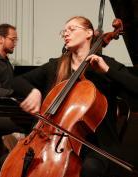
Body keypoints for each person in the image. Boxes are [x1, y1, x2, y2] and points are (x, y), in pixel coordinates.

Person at [11, 16, 138, 177]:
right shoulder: (56, 66)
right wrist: (33, 91)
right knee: (12, 162)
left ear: (89, 33)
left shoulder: (105, 65)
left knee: (91, 169)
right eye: (64, 31)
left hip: (97, 144)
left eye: (71, 29)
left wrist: (108, 71)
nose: (66, 33)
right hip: (53, 141)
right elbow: (16, 81)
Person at [0, 24, 35, 139]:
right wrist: (18, 93)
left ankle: (16, 155)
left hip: (3, 108)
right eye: (13, 39)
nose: (15, 43)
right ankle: (17, 156)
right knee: (30, 123)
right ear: (0, 39)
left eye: (16, 40)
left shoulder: (7, 62)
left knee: (35, 119)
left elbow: (9, 86)